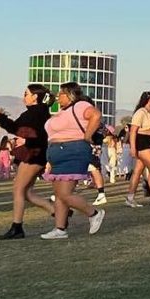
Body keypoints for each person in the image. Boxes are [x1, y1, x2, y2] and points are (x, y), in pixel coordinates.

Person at [41, 82, 105, 239]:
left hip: (72, 151)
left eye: (60, 94)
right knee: (59, 194)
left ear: (69, 94)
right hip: (58, 153)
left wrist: (87, 136)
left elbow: (96, 115)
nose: (57, 97)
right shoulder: (63, 111)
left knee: (64, 194)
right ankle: (60, 228)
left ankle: (94, 213)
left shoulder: (80, 106)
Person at [0, 84, 53, 239]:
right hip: (34, 155)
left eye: (26, 93)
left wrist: (26, 144)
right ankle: (58, 212)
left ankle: (17, 227)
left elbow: (40, 138)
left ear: (35, 97)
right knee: (26, 192)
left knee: (18, 190)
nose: (24, 96)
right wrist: (0, 116)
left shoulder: (37, 114)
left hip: (33, 156)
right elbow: (15, 128)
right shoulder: (34, 113)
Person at [126, 91, 150, 207]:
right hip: (142, 142)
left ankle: (130, 197)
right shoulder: (140, 112)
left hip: (149, 140)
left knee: (138, 171)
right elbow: (133, 131)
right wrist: (133, 147)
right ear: (149, 99)